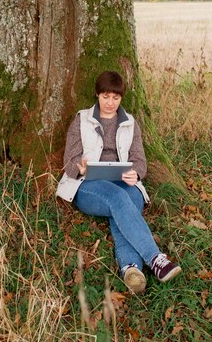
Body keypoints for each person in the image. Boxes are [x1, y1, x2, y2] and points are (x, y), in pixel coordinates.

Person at [56, 70, 182, 294]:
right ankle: (156, 259)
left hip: (123, 182)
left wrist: (135, 174)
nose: (110, 103)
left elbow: (139, 161)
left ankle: (130, 269)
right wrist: (82, 167)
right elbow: (69, 161)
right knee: (118, 199)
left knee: (127, 199)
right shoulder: (81, 120)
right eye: (105, 97)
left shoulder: (130, 123)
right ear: (97, 95)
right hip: (87, 185)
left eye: (115, 98)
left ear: (121, 98)